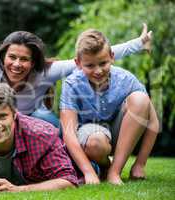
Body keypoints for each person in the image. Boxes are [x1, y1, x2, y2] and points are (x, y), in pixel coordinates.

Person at [0, 13, 152, 130]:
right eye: (12, 58)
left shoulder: (48, 71)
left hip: (34, 118)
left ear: (34, 61)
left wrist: (138, 44)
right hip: (3, 122)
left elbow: (92, 57)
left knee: (47, 121)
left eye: (24, 59)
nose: (17, 64)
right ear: (3, 56)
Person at [60, 29, 159, 185]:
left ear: (112, 57)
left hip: (122, 132)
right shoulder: (72, 84)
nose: (98, 71)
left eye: (103, 63)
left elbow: (152, 120)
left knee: (141, 99)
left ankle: (114, 172)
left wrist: (140, 164)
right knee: (95, 144)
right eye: (90, 65)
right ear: (78, 63)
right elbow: (69, 133)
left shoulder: (126, 79)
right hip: (91, 133)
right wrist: (88, 172)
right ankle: (106, 166)